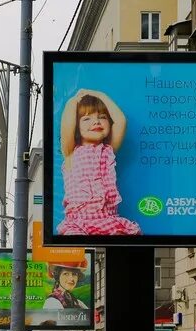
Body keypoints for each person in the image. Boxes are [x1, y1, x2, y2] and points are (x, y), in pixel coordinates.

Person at [57, 89, 141, 236]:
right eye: (86, 119)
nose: (96, 121)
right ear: (76, 128)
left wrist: (98, 95)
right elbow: (67, 126)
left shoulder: (108, 150)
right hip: (78, 223)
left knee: (125, 238)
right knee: (75, 243)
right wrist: (73, 101)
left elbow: (121, 121)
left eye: (102, 117)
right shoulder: (71, 152)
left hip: (108, 220)